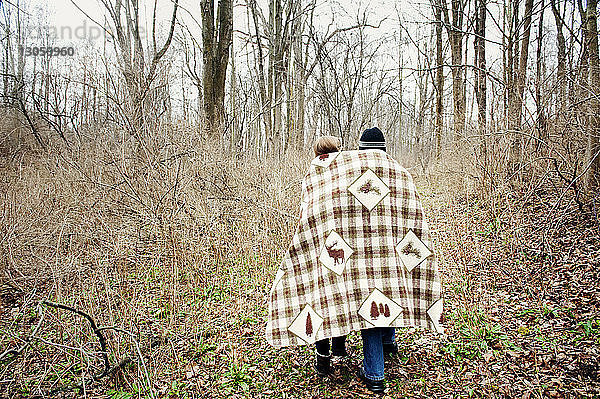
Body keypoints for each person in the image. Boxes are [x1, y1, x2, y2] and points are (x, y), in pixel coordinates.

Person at [356, 127, 398, 393]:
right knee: (388, 290)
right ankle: (388, 342)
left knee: (371, 301)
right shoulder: (398, 172)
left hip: (363, 250)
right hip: (391, 248)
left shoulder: (350, 173)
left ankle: (374, 374)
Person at [309, 135, 349, 376]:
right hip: (343, 245)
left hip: (319, 244)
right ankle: (339, 346)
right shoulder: (346, 172)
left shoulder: (312, 176)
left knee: (321, 300)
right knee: (341, 295)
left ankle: (323, 359)